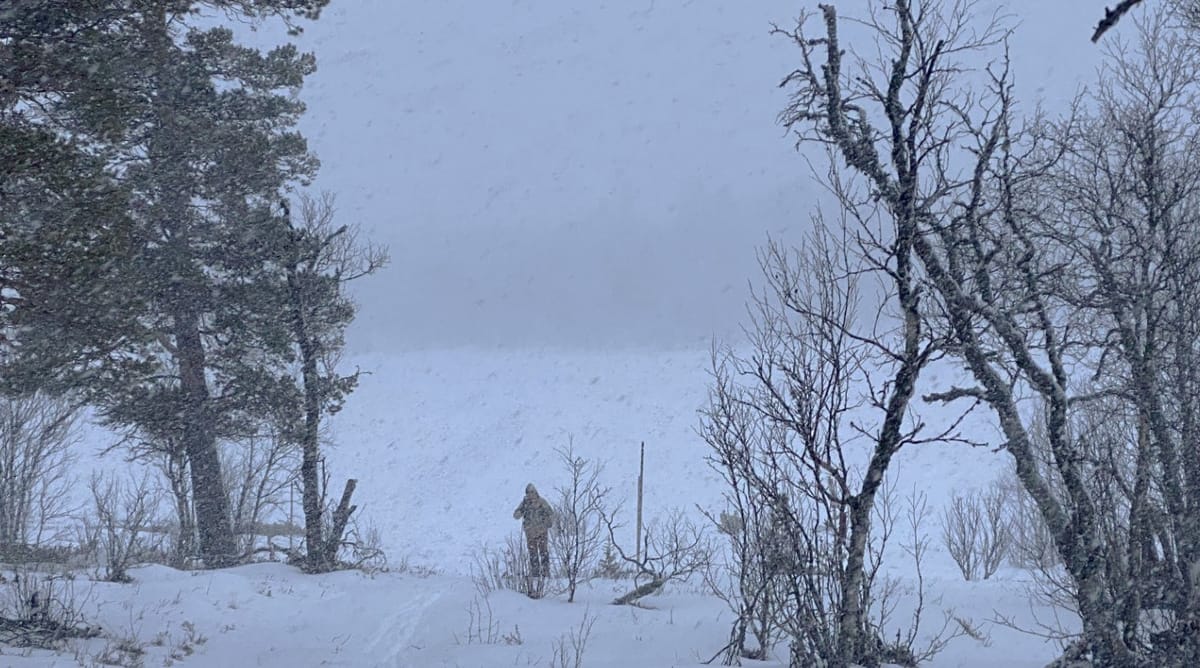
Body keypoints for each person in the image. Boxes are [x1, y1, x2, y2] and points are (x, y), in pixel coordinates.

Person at [513, 483, 554, 577]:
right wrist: (522, 511)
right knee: (533, 554)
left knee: (544, 553)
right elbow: (516, 515)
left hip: (542, 532)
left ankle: (546, 573)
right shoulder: (524, 503)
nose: (530, 495)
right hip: (530, 534)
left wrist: (548, 522)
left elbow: (550, 513)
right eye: (528, 493)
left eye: (532, 492)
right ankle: (535, 575)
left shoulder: (542, 502)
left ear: (535, 492)